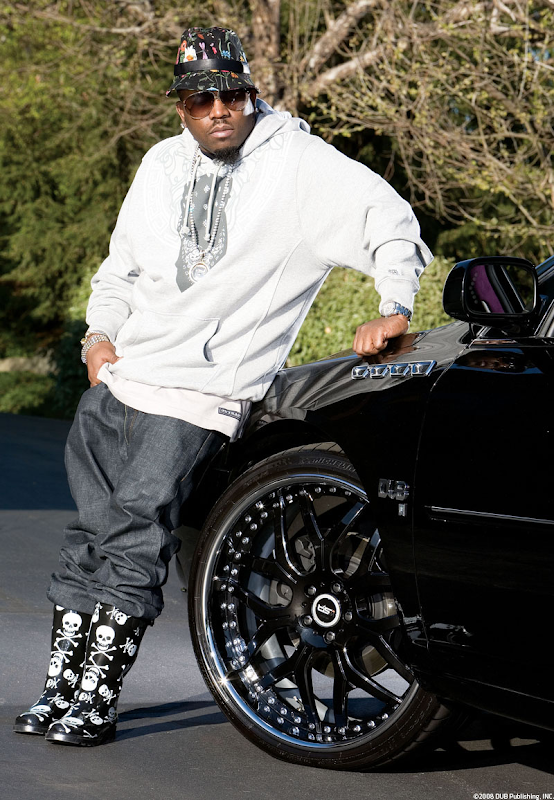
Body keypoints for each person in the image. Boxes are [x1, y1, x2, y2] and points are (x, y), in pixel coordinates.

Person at [14, 26, 433, 747]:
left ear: (249, 91)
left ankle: (95, 703)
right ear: (180, 105)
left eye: (230, 94)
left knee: (134, 542)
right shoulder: (160, 162)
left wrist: (394, 305)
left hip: (194, 398)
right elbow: (120, 267)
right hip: (117, 385)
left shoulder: (299, 165)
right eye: (199, 99)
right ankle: (59, 692)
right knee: (87, 539)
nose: (217, 110)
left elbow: (388, 220)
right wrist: (98, 337)